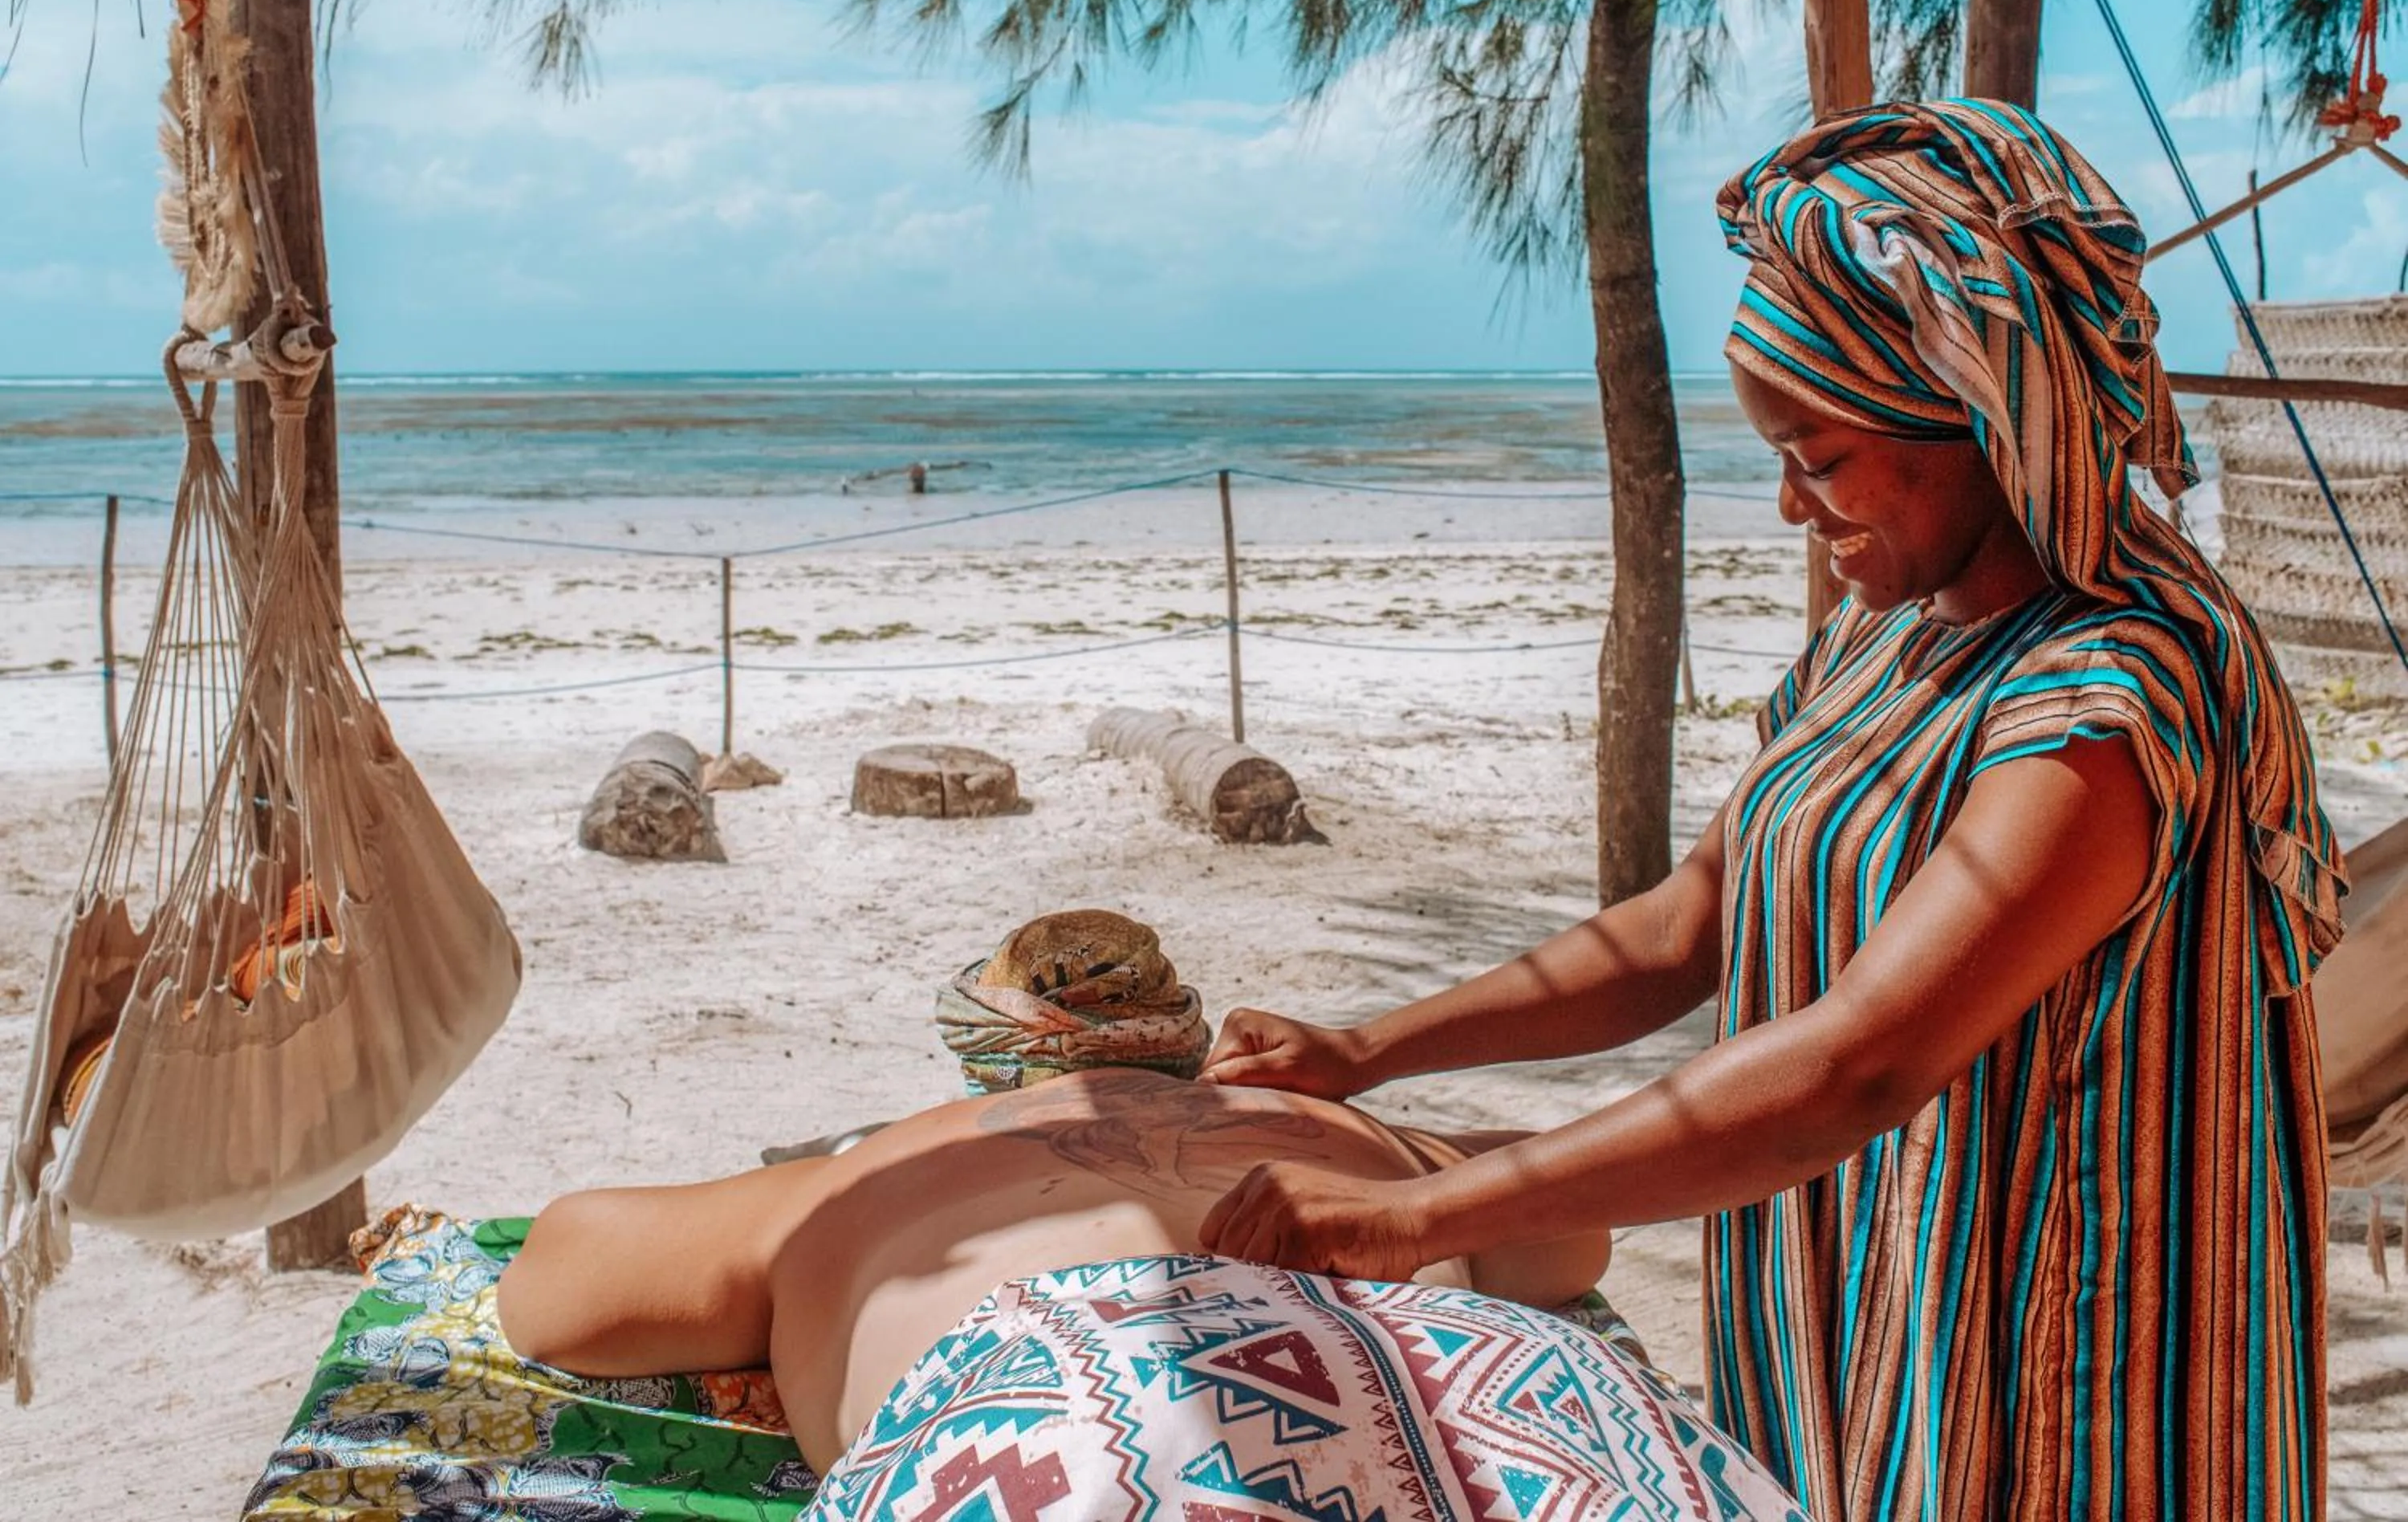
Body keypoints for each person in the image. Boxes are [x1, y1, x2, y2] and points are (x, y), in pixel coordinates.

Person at [1194, 99, 2345, 1521]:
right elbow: (1694, 923)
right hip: (1851, 1291)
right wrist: (1363, 1049)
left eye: (1818, 455)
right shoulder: (1892, 627)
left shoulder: (2108, 698)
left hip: (2055, 1355)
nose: (1794, 508)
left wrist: (1419, 1214)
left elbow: (1863, 1063)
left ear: (1976, 421)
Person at [494, 1065, 1609, 1474]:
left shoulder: (908, 1160)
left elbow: (560, 1291)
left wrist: (817, 1182)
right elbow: (1578, 1236)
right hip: (1401, 1386)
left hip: (1047, 1397)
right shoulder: (1362, 1149)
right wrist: (1376, 1118)